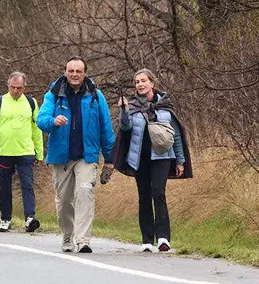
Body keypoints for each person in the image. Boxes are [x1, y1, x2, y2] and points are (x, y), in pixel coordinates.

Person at [36, 56, 116, 254]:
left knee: (84, 193)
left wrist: (110, 158)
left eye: (78, 71)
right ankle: (67, 234)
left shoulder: (96, 96)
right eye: (71, 71)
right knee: (63, 201)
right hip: (61, 157)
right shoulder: (53, 94)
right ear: (65, 71)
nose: (74, 74)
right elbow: (41, 120)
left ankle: (83, 240)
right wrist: (54, 121)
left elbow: (106, 128)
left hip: (86, 157)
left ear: (84, 73)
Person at [112, 68, 192, 253]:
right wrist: (124, 110)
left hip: (162, 157)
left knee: (159, 193)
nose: (140, 84)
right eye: (137, 82)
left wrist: (180, 161)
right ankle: (147, 239)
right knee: (144, 196)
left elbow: (176, 135)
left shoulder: (165, 105)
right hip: (139, 158)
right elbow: (125, 127)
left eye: (143, 81)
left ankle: (163, 238)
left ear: (152, 83)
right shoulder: (132, 106)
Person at [0, 72, 44, 234]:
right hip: (5, 151)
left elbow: (36, 128)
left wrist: (39, 152)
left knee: (27, 185)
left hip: (25, 151)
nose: (15, 91)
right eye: (12, 88)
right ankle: (5, 219)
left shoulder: (30, 103)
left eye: (19, 88)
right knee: (5, 187)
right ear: (8, 86)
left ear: (24, 87)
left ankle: (30, 217)